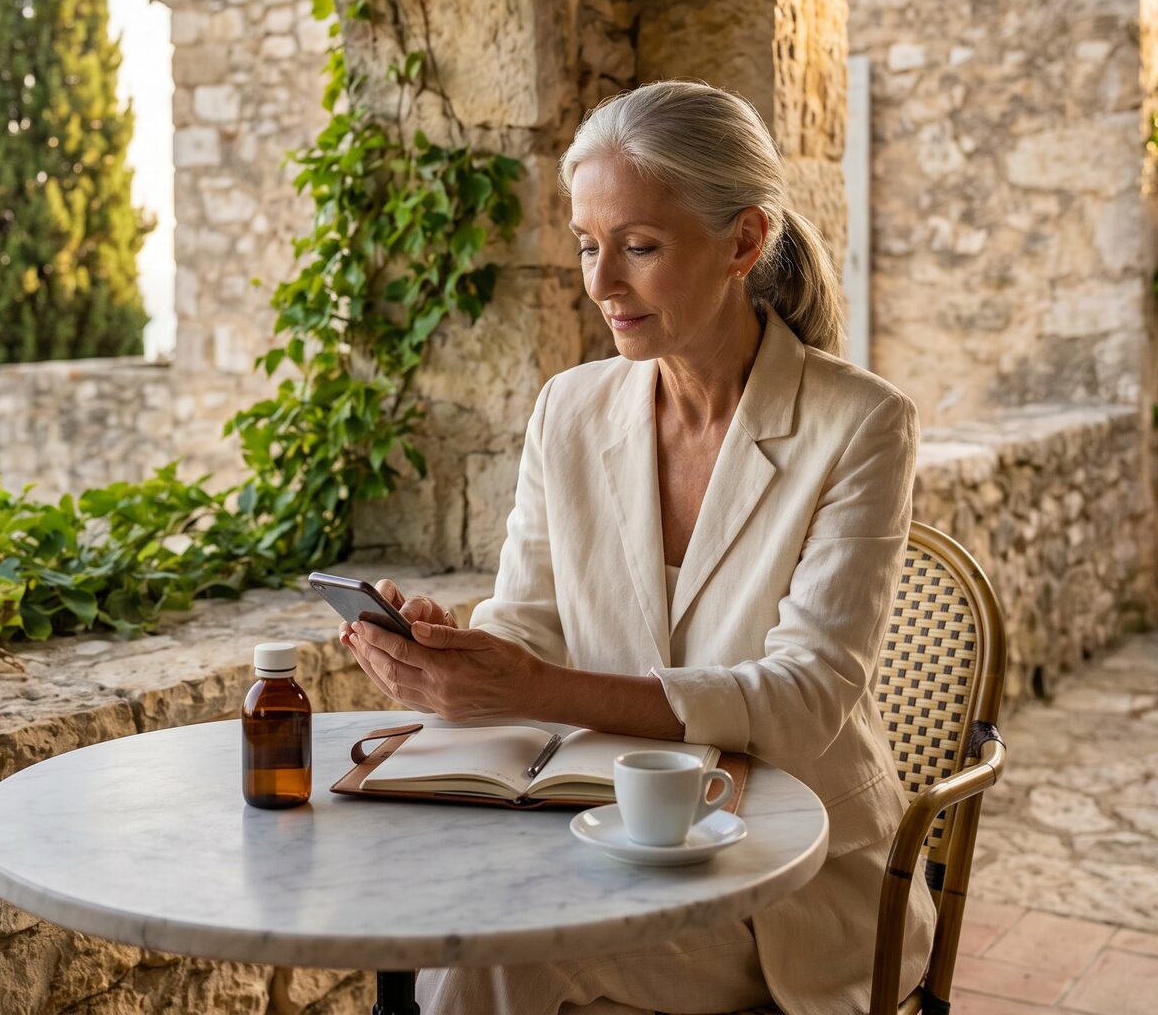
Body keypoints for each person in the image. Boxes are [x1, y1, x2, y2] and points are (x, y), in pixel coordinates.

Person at [339, 80, 938, 1015]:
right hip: (595, 835)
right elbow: (526, 627)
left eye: (639, 247)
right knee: (448, 925)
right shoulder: (568, 410)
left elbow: (806, 697)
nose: (600, 283)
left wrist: (531, 688)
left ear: (744, 241)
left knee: (498, 963)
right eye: (586, 245)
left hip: (786, 873)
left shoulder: (860, 423)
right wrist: (454, 658)